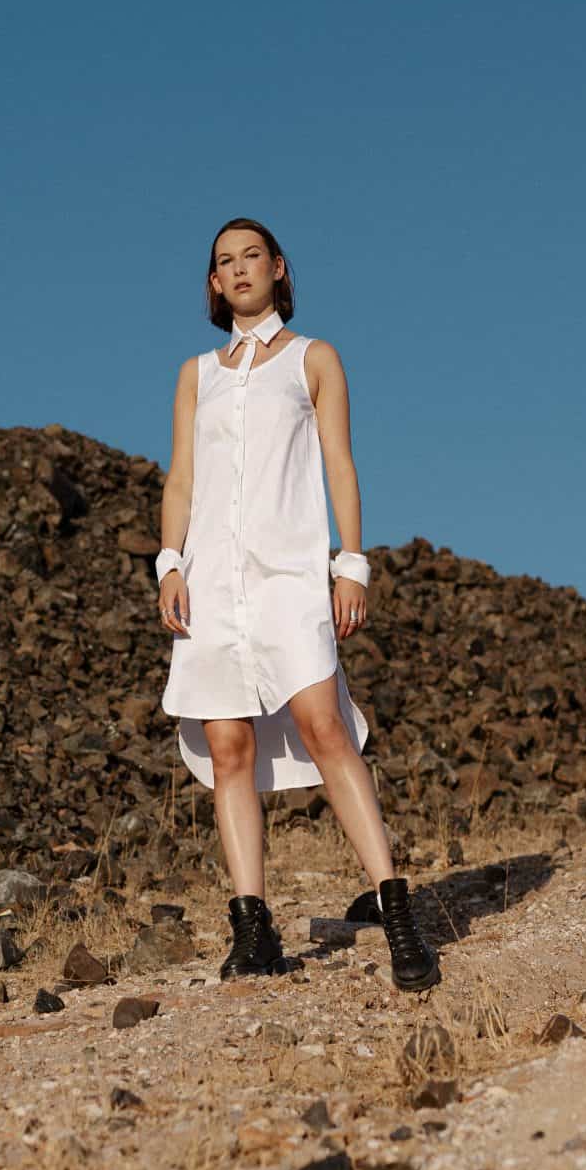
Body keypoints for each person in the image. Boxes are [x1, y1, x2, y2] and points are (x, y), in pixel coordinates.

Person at [154, 217, 439, 993]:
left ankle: (397, 913)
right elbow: (181, 478)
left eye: (252, 256)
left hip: (288, 574)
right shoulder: (197, 375)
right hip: (212, 582)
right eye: (225, 262)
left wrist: (352, 565)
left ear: (278, 268)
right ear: (214, 284)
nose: (239, 269)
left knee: (324, 727)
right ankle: (254, 930)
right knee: (228, 750)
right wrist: (170, 563)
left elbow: (339, 462)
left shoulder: (314, 358)